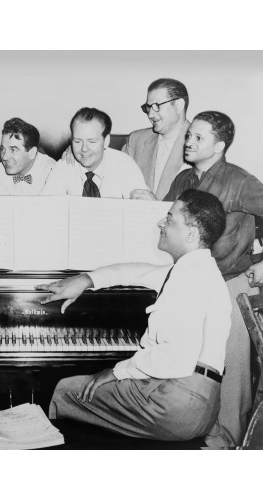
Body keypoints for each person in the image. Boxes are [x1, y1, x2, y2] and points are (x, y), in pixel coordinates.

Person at [37, 189, 230, 442]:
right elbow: (135, 271)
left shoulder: (190, 280)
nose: (161, 223)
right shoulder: (196, 270)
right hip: (202, 402)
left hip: (178, 403)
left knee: (66, 391)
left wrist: (117, 371)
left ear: (191, 233)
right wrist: (86, 279)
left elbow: (175, 359)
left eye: (170, 219)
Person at [160, 111, 263, 448]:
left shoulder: (241, 181)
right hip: (189, 283)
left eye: (198, 138)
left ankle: (232, 444)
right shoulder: (181, 181)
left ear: (219, 146)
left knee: (230, 370)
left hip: (230, 284)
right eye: (189, 134)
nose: (188, 141)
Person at [43, 107, 148, 198]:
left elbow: (141, 209)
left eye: (91, 141)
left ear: (106, 141)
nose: (84, 149)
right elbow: (45, 208)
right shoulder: (64, 166)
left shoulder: (124, 165)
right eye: (78, 141)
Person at [125, 78, 191, 200]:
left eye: (156, 106)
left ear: (178, 105)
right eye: (148, 107)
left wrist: (156, 208)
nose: (150, 115)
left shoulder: (202, 146)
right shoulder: (135, 141)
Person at [0, 117, 56, 196]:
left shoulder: (51, 172)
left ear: (32, 153)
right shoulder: (0, 172)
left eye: (13, 150)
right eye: (3, 149)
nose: (5, 157)